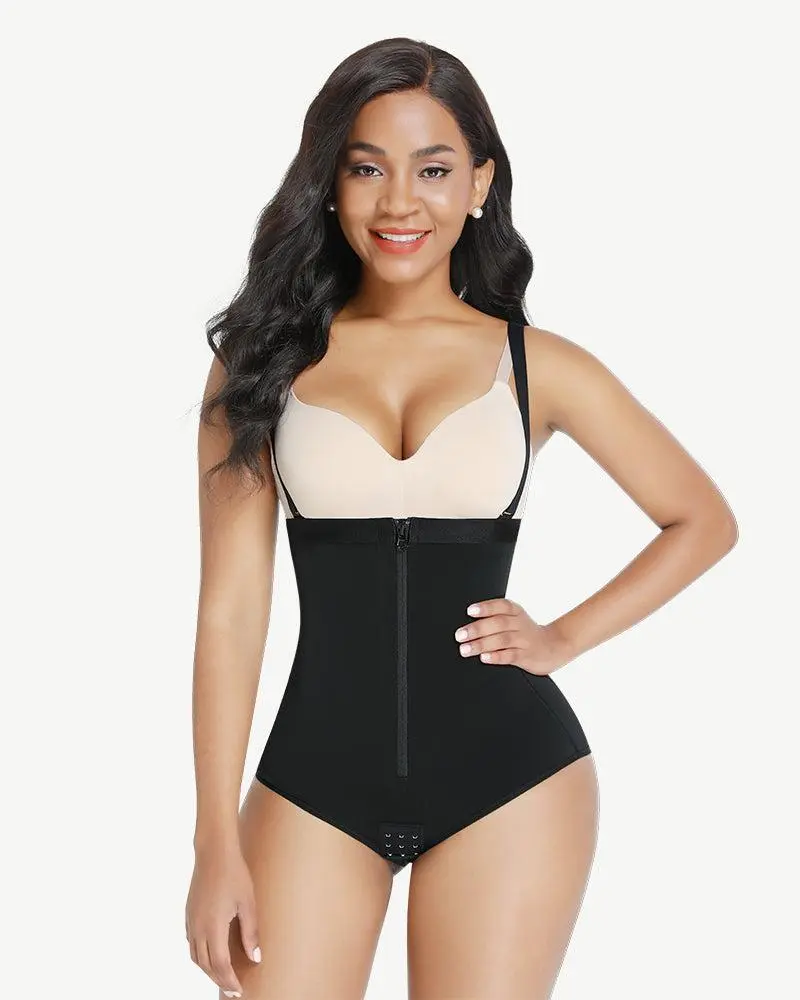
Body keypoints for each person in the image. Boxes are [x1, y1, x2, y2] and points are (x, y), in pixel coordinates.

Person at [185, 36, 738, 1000]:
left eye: (434, 170)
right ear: (329, 184)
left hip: (511, 780)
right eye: (368, 169)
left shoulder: (538, 365)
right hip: (314, 780)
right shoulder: (259, 365)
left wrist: (563, 637)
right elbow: (230, 614)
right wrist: (212, 841)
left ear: (479, 183)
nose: (401, 202)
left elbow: (701, 520)